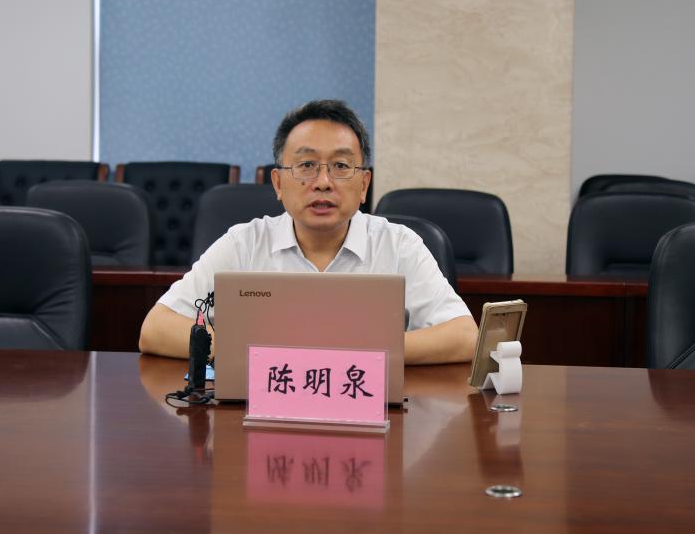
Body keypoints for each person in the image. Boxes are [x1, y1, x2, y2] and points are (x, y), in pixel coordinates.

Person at [139, 99, 478, 364]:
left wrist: (364, 353)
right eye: (306, 166)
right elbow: (157, 328)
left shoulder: (399, 245)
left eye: (341, 166)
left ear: (364, 185)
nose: (323, 182)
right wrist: (251, 352)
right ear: (278, 183)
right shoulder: (244, 243)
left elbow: (464, 336)